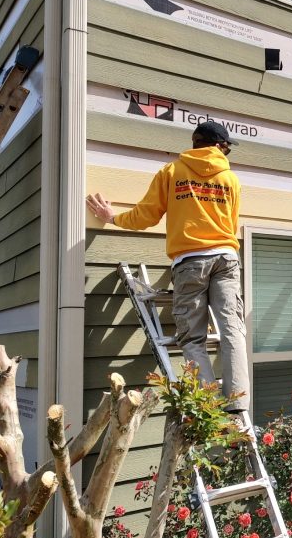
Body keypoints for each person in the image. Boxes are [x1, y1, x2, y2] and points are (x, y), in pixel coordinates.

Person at [85, 121, 249, 413]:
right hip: (226, 258)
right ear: (219, 146)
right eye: (226, 147)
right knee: (232, 329)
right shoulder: (231, 180)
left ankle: (208, 406)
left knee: (192, 337)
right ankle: (237, 403)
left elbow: (146, 216)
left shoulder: (172, 172)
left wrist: (113, 218)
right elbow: (232, 224)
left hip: (191, 262)